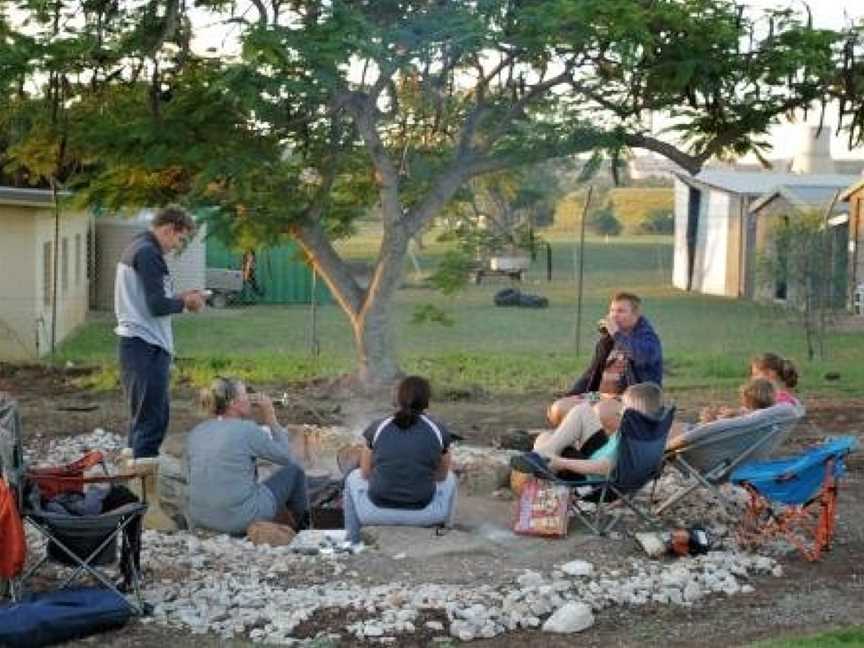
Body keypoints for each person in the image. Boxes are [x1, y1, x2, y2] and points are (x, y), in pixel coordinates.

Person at [115, 205, 206, 459]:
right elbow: (156, 306)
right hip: (146, 345)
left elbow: (151, 299)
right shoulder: (148, 253)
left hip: (139, 344)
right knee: (152, 422)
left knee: (143, 419)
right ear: (168, 229)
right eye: (180, 238)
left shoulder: (140, 246)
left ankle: (131, 479)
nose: (178, 245)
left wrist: (182, 297)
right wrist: (187, 303)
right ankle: (143, 488)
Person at [186, 377, 309, 535]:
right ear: (232, 403)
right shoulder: (247, 429)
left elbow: (189, 476)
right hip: (240, 520)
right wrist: (270, 416)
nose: (250, 400)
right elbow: (286, 457)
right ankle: (305, 531)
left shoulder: (197, 431)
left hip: (201, 519)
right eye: (245, 395)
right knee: (295, 472)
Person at [343, 376, 457, 545]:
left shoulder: (379, 427)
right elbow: (441, 476)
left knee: (353, 477)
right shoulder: (438, 430)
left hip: (373, 512)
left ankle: (352, 541)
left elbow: (365, 472)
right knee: (451, 479)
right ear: (427, 402)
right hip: (426, 514)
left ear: (398, 399)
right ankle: (444, 537)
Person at [547, 292, 663, 426]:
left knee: (600, 412)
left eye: (621, 311)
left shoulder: (648, 338)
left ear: (635, 315)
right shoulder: (608, 341)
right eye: (612, 310)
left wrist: (616, 334)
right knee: (559, 408)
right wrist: (571, 395)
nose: (614, 315)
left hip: (631, 400)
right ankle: (584, 440)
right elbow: (591, 373)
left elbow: (641, 356)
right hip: (601, 396)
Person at [514, 382, 664, 480]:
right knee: (583, 411)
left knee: (545, 438)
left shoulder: (630, 439)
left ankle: (542, 459)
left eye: (624, 408)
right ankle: (541, 456)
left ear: (635, 412)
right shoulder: (648, 431)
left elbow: (605, 468)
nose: (619, 411)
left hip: (589, 477)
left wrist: (560, 462)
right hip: (598, 459)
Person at [698, 377, 776, 423]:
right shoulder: (766, 413)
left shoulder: (750, 416)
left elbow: (728, 425)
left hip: (720, 435)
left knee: (705, 417)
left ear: (750, 400)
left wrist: (713, 419)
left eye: (743, 398)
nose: (741, 400)